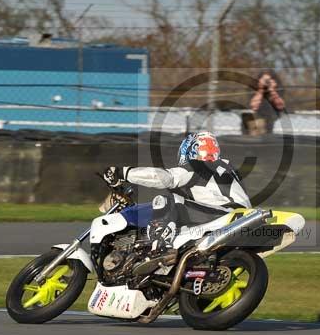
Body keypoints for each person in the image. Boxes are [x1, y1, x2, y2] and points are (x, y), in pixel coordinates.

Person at [100, 131, 251, 254]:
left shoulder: (198, 165)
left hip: (228, 215)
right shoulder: (225, 168)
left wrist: (123, 173)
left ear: (190, 149)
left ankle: (158, 249)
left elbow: (164, 178)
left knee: (166, 201)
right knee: (179, 212)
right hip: (239, 217)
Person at [249, 69, 286, 134]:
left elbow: (280, 106)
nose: (266, 82)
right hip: (258, 117)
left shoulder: (278, 90)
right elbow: (254, 106)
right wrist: (261, 90)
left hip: (272, 117)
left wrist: (272, 91)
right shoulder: (254, 89)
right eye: (264, 80)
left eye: (268, 80)